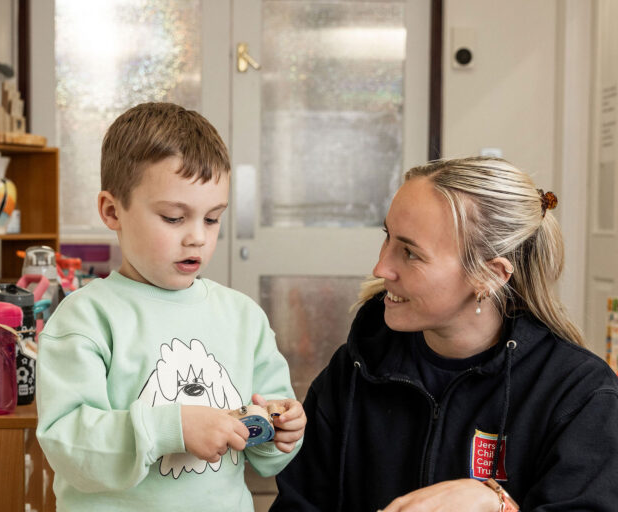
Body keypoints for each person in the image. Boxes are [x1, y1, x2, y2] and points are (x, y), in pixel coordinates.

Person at [271, 157, 618, 511]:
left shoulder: (580, 394)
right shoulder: (355, 368)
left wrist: (494, 504)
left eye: (410, 252)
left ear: (490, 275)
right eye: (387, 236)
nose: (380, 267)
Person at [36, 102, 306, 511]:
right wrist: (170, 428)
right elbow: (68, 446)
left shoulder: (243, 318)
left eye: (212, 219)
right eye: (174, 218)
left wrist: (282, 430)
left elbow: (268, 452)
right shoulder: (85, 318)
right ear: (113, 211)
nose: (197, 237)